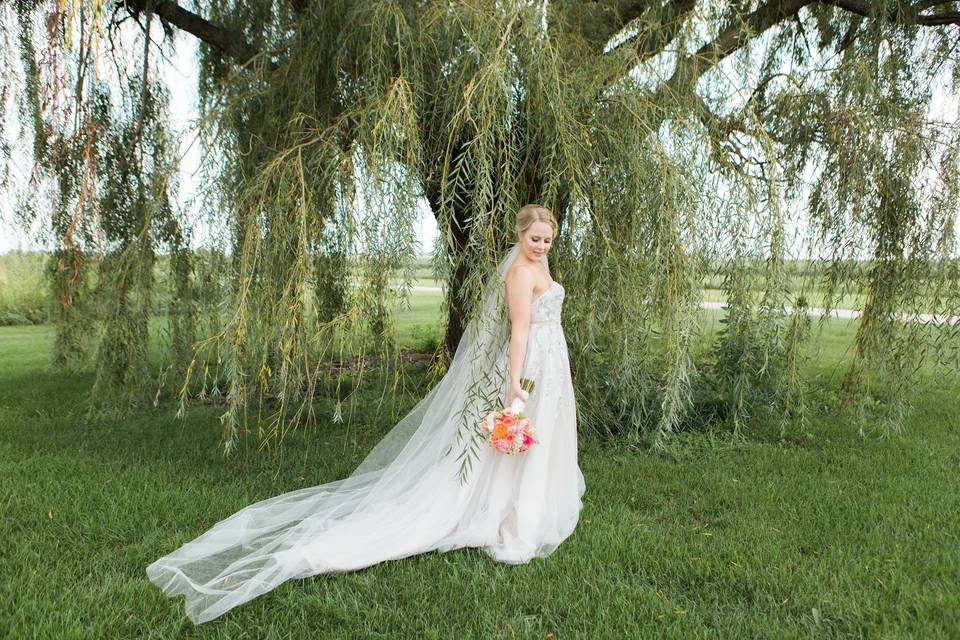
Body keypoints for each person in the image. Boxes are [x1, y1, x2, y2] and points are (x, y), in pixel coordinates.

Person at [146, 204, 585, 624]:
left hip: (552, 357)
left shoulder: (540, 265)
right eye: (535, 239)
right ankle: (512, 513)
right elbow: (520, 329)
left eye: (547, 240)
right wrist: (514, 383)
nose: (542, 246)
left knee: (541, 437)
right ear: (520, 236)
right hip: (530, 365)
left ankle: (526, 503)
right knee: (520, 438)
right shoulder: (519, 272)